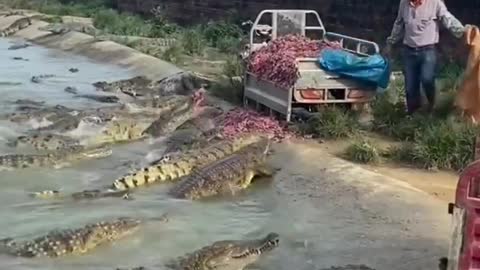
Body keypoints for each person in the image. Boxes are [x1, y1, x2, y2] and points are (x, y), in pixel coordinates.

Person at [384, 0, 470, 115]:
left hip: (427, 50)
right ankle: (413, 114)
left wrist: (463, 32)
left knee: (427, 79)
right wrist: (391, 42)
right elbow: (399, 24)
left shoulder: (435, 3)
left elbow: (448, 19)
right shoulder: (404, 3)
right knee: (410, 86)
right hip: (409, 50)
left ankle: (432, 106)